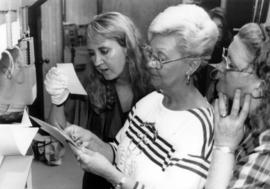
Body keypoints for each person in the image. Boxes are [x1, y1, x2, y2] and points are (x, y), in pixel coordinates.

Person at [65, 4, 218, 189]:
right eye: (151, 53)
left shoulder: (198, 127)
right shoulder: (151, 101)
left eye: (160, 58)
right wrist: (93, 141)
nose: (151, 64)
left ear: (191, 65)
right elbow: (118, 152)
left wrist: (112, 175)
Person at [44, 12, 152, 189]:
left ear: (127, 46)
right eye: (92, 54)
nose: (97, 61)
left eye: (104, 51)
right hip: (97, 179)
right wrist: (57, 99)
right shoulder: (92, 81)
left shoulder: (153, 86)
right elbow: (57, 130)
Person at [205, 23, 270, 188]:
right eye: (226, 56)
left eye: (231, 66)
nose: (219, 67)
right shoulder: (240, 115)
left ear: (260, 87)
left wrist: (224, 147)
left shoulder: (266, 152)